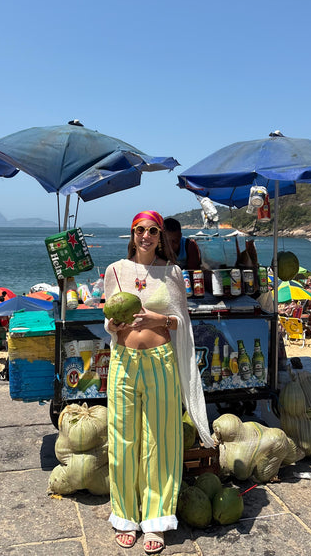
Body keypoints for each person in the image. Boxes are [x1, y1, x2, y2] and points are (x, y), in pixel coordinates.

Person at [104, 211, 213, 554]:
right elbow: (108, 318)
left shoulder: (172, 272)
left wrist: (158, 318)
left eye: (153, 231)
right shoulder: (115, 270)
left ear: (160, 236)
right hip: (124, 361)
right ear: (132, 233)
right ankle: (125, 517)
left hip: (160, 361)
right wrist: (114, 326)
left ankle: (156, 520)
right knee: (122, 438)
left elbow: (181, 321)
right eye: (140, 230)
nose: (146, 236)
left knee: (160, 440)